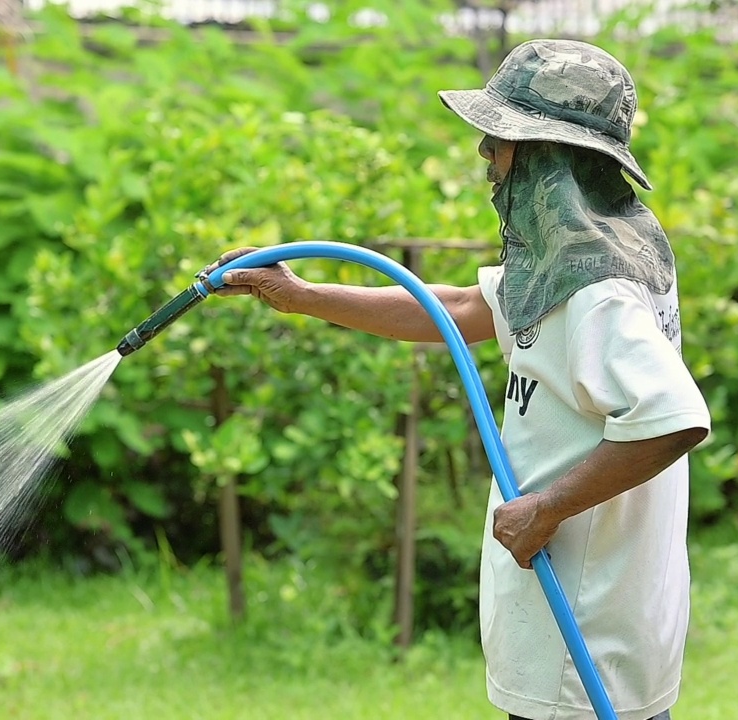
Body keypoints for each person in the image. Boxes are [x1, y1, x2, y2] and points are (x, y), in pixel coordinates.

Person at [205, 39, 711, 720]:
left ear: (545, 158)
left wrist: (548, 507)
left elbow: (674, 418)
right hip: (581, 627)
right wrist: (303, 296)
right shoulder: (573, 262)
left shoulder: (599, 289)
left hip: (585, 642)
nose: (486, 159)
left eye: (498, 143)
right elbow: (465, 309)